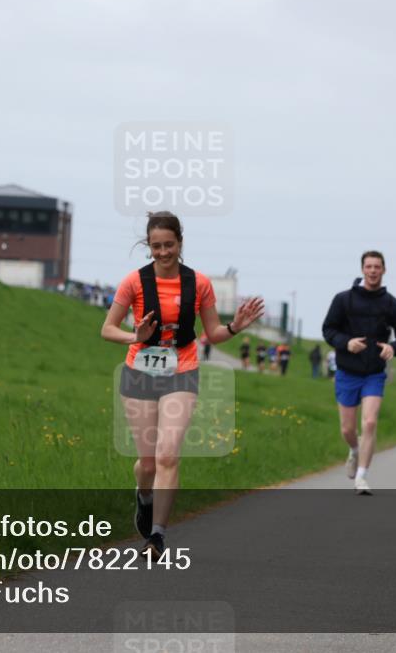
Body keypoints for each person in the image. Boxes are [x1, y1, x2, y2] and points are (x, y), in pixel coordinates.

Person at [101, 211, 264, 558]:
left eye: (169, 245)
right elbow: (107, 328)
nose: (163, 252)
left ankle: (157, 536)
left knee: (168, 454)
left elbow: (213, 333)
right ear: (148, 246)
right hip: (140, 371)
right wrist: (135, 335)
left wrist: (235, 327)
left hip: (182, 370)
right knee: (147, 464)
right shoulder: (134, 281)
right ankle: (143, 497)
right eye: (156, 246)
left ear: (180, 242)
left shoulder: (198, 283)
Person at [322, 250, 396, 495]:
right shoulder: (343, 299)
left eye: (377, 267)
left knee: (370, 422)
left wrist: (394, 347)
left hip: (374, 372)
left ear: (384, 270)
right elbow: (328, 329)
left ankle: (362, 477)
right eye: (369, 266)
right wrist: (345, 343)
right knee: (347, 430)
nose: (373, 271)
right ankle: (354, 450)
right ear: (362, 269)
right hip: (347, 371)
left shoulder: (392, 304)